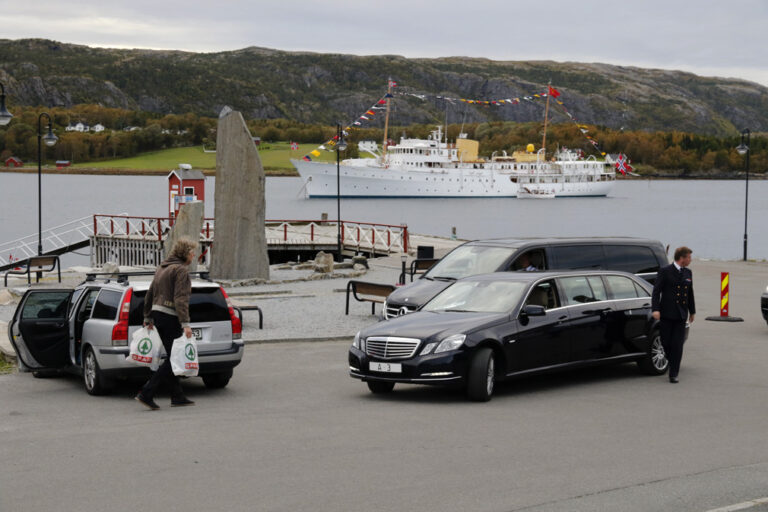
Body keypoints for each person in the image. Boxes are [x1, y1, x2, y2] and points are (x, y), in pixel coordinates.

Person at [135, 237, 197, 410]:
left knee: (172, 355)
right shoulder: (181, 270)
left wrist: (147, 317)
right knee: (175, 357)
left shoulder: (162, 268)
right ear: (185, 253)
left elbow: (150, 294)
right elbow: (180, 298)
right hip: (170, 316)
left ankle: (177, 396)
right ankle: (146, 393)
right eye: (192, 253)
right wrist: (185, 323)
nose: (193, 256)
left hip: (158, 315)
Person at [652, 246, 695, 383]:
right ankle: (672, 361)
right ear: (682, 258)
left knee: (677, 344)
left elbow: (690, 293)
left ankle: (674, 372)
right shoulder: (665, 271)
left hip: (681, 314)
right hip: (667, 313)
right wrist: (655, 309)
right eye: (689, 257)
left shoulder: (688, 272)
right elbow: (656, 291)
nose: (690, 260)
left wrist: (692, 311)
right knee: (666, 342)